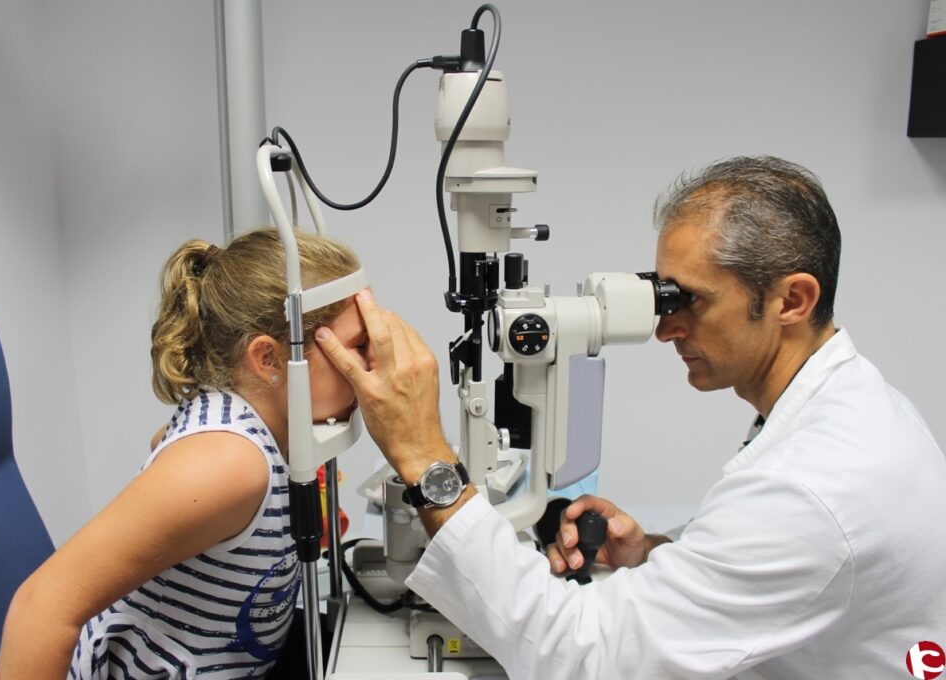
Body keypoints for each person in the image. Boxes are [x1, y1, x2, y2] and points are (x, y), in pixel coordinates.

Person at [314, 156, 946, 678]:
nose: (665, 326)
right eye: (659, 291)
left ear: (792, 300)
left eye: (688, 299)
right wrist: (656, 554)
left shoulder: (815, 484)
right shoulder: (856, 406)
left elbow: (581, 654)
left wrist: (424, 455)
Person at [0, 228, 370, 678]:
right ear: (269, 359)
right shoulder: (230, 462)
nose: (373, 365)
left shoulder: (253, 435)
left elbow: (166, 446)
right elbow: (40, 609)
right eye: (358, 348)